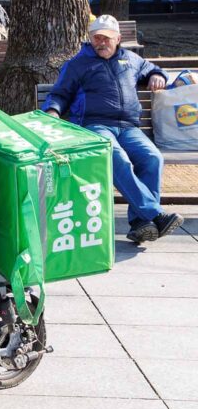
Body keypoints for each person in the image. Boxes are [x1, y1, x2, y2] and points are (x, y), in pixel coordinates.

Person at [42, 15, 183, 243]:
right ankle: (154, 214)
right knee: (117, 157)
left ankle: (140, 224)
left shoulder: (132, 59)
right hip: (94, 125)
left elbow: (152, 68)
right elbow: (59, 93)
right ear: (90, 38)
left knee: (152, 157)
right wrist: (53, 111)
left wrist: (157, 75)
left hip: (128, 127)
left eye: (107, 38)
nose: (101, 42)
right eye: (97, 37)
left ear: (118, 38)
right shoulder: (77, 64)